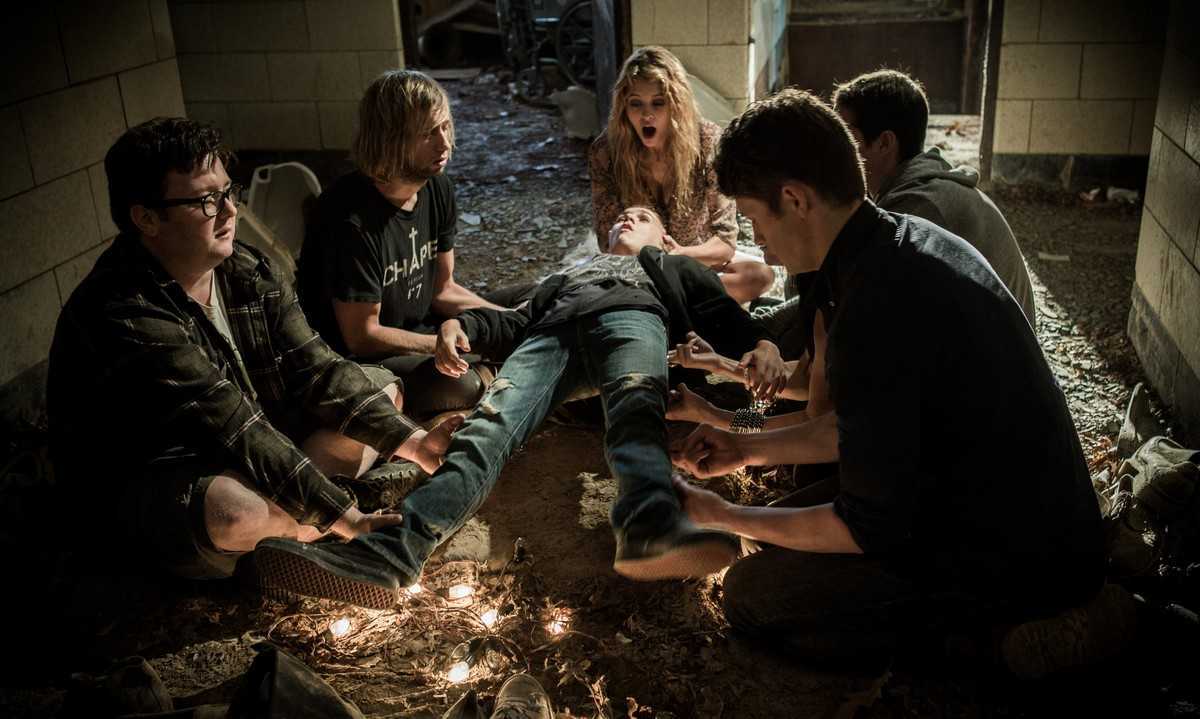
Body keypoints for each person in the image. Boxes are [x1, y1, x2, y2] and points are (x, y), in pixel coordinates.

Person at [671, 89, 1129, 678]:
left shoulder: (879, 303)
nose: (757, 240)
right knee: (780, 536)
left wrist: (723, 514)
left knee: (752, 595)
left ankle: (1005, 642)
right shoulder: (887, 243)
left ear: (794, 199)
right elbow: (855, 424)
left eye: (757, 219)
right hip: (969, 493)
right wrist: (743, 444)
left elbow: (866, 524)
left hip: (1019, 553)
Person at [252, 206, 787, 607]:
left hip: (635, 320)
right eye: (621, 215)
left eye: (643, 216)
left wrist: (761, 350)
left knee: (635, 404)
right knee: (490, 426)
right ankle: (391, 554)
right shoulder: (565, 276)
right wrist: (461, 325)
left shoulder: (668, 267)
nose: (628, 217)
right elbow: (512, 320)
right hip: (550, 337)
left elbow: (730, 323)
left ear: (666, 237)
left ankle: (649, 527)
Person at [47, 118, 459, 582]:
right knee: (232, 512)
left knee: (382, 392)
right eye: (206, 200)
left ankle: (289, 530)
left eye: (229, 192)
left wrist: (416, 442)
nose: (229, 211)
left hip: (258, 433)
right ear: (146, 218)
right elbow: (233, 426)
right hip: (171, 474)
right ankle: (301, 534)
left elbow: (317, 368)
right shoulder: (125, 313)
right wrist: (349, 519)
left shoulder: (244, 268)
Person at [755, 69, 1037, 357]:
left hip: (985, 370)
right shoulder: (910, 191)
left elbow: (843, 301)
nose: (834, 151)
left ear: (885, 143)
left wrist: (758, 331)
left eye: (847, 137)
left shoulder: (917, 208)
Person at [298, 70, 508, 422]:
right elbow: (362, 336)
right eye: (428, 134)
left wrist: (511, 321)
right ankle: (489, 381)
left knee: (530, 304)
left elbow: (444, 289)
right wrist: (448, 344)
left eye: (444, 127)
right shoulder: (350, 220)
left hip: (428, 324)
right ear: (390, 140)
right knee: (462, 382)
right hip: (370, 356)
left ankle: (498, 372)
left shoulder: (436, 186)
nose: (444, 144)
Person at [589, 46, 775, 305]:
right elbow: (608, 243)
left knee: (759, 275)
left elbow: (725, 242)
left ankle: (670, 303)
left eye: (658, 102)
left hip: (694, 262)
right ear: (623, 107)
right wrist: (655, 260)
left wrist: (679, 254)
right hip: (637, 270)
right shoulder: (606, 152)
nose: (646, 115)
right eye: (635, 104)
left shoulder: (707, 142)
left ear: (676, 104)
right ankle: (681, 303)